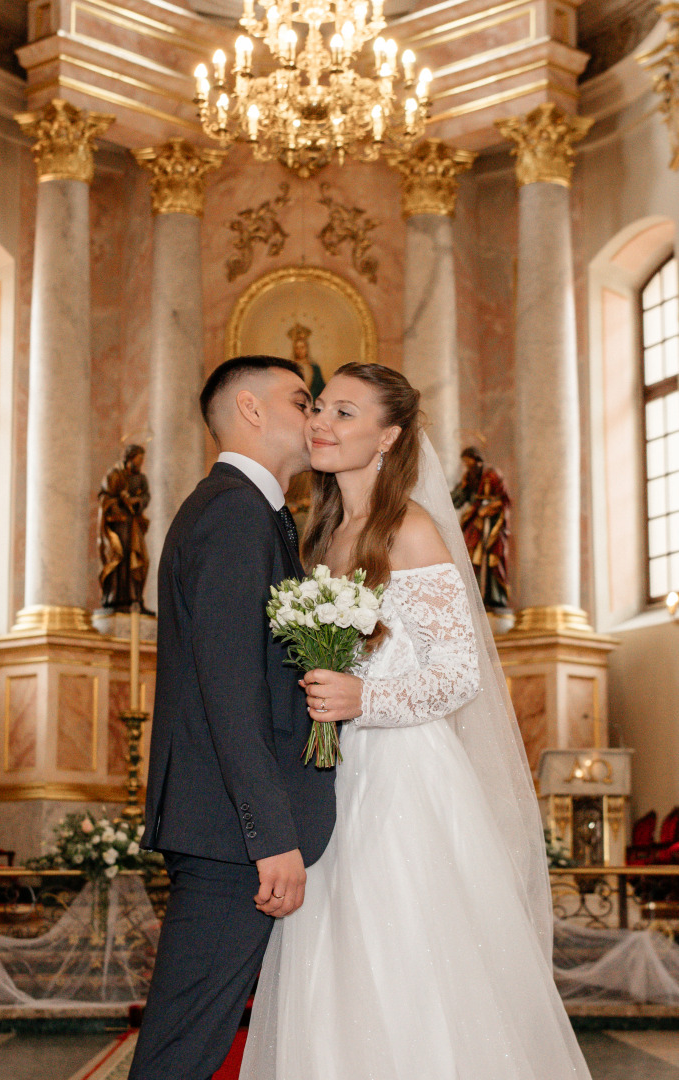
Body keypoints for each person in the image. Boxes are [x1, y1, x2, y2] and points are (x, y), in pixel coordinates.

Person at [240, 363, 591, 1080]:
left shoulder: (409, 527)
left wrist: (364, 702)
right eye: (320, 408)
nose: (321, 423)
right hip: (333, 779)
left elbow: (458, 674)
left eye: (345, 413)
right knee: (334, 959)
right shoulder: (325, 531)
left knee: (405, 959)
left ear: (389, 437)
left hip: (402, 783)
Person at [128, 356, 336, 1080]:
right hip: (230, 838)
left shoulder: (258, 514)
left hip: (229, 830)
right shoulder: (231, 512)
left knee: (195, 1042)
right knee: (182, 1051)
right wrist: (268, 836)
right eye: (301, 399)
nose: (314, 418)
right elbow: (227, 689)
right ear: (250, 409)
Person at [451, 445, 512, 610]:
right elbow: (456, 501)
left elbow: (504, 500)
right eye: (465, 463)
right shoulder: (469, 477)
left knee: (492, 556)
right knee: (471, 555)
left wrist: (489, 508)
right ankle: (476, 595)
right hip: (475, 520)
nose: (468, 466)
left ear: (477, 460)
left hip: (493, 523)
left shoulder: (493, 475)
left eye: (469, 462)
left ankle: (493, 596)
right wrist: (462, 488)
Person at [98, 444, 152, 612]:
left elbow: (146, 496)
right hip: (119, 524)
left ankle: (136, 598)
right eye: (139, 458)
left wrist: (137, 502)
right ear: (130, 457)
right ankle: (116, 598)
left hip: (134, 524)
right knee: (119, 558)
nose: (141, 462)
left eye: (143, 459)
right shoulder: (115, 475)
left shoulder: (141, 478)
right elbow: (104, 497)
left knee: (140, 560)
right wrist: (120, 502)